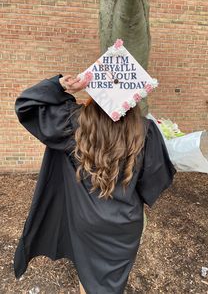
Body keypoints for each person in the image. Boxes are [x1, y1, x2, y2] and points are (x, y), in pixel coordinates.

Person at [14, 74, 177, 294]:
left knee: (87, 271)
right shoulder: (145, 130)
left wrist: (62, 84)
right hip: (125, 224)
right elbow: (155, 181)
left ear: (97, 90)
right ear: (131, 96)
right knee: (113, 280)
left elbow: (27, 104)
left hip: (85, 220)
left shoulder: (73, 122)